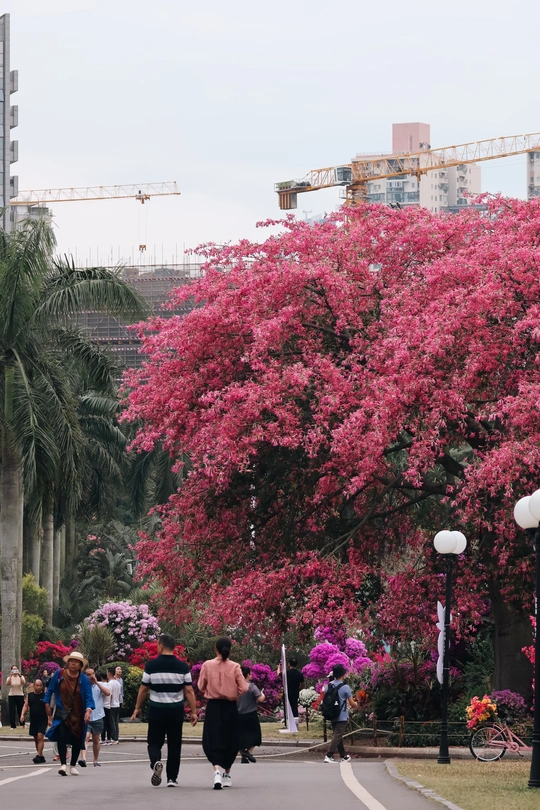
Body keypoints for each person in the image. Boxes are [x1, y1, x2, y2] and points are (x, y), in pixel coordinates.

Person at [131, 633, 197, 788]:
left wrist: (137, 708)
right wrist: (194, 712)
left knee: (154, 743)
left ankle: (156, 762)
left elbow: (143, 689)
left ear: (160, 646)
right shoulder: (182, 667)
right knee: (174, 745)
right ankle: (172, 778)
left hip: (157, 710)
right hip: (175, 712)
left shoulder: (151, 666)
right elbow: (188, 690)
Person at [198, 637, 249, 790]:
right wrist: (234, 690)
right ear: (230, 649)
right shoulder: (235, 667)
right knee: (230, 738)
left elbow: (200, 686)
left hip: (213, 706)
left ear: (215, 649)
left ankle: (216, 772)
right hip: (230, 707)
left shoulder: (207, 665)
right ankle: (227, 774)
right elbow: (244, 688)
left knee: (213, 738)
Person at [43, 650, 95, 776]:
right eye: (71, 661)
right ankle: (63, 764)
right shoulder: (59, 674)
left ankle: (72, 765)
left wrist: (88, 711)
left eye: (76, 662)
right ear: (68, 662)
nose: (73, 663)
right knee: (61, 736)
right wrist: (47, 704)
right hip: (62, 712)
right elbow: (50, 690)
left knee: (77, 739)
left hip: (78, 714)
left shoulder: (84, 679)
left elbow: (89, 697)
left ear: (80, 665)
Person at [322, 664, 358, 764]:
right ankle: (329, 755)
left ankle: (343, 756)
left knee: (337, 735)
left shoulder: (328, 686)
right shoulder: (345, 687)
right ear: (343, 674)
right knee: (337, 735)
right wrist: (359, 705)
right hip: (342, 715)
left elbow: (325, 696)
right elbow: (352, 703)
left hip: (332, 714)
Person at [78, 667, 110, 768]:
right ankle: (83, 759)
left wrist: (96, 683)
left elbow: (107, 693)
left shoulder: (99, 685)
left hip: (98, 716)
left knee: (96, 739)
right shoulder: (82, 686)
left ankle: (95, 760)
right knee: (86, 737)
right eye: (88, 674)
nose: (91, 676)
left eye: (92, 674)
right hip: (86, 716)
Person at [238, 665, 265, 764]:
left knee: (240, 737)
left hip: (238, 714)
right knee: (256, 735)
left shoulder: (236, 686)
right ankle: (248, 752)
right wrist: (263, 694)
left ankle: (243, 756)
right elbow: (260, 699)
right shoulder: (251, 686)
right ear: (248, 675)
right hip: (251, 714)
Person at [20, 679, 49, 762]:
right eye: (37, 685)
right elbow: (25, 706)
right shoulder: (30, 696)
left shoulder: (44, 696)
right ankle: (41, 755)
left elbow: (47, 708)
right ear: (34, 686)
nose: (39, 687)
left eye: (40, 685)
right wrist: (22, 715)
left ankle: (39, 756)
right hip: (34, 720)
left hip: (42, 720)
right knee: (36, 739)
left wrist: (50, 718)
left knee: (40, 736)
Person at [285, 658, 304, 722]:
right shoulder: (299, 674)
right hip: (295, 692)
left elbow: (279, 674)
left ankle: (289, 721)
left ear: (289, 664)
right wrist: (298, 689)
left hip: (288, 692)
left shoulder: (287, 673)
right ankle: (295, 722)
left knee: (288, 707)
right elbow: (302, 684)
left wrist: (279, 667)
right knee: (294, 707)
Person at [106, 667, 121, 744]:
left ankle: (114, 738)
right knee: (116, 722)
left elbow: (110, 695)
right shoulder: (118, 683)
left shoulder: (110, 683)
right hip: (117, 704)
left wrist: (109, 704)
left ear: (109, 673)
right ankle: (116, 737)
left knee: (112, 722)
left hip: (112, 705)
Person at [99, 671, 112, 745]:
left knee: (103, 723)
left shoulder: (101, 685)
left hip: (103, 705)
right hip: (108, 705)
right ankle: (109, 738)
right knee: (108, 723)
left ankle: (103, 738)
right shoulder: (109, 685)